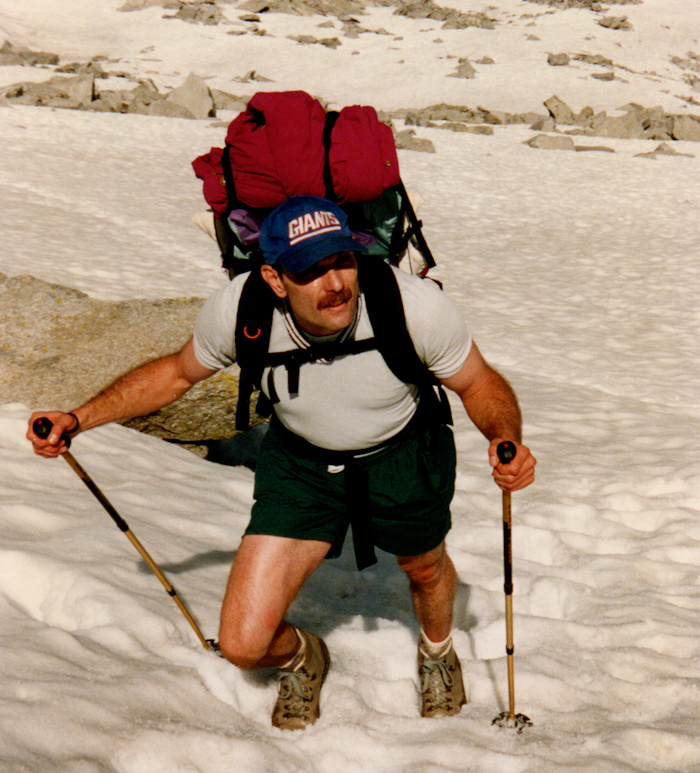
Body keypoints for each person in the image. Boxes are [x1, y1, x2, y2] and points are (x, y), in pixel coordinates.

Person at [28, 195, 536, 731]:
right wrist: (79, 418)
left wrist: (506, 439)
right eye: (310, 271)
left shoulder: (412, 306)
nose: (335, 283)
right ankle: (302, 656)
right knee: (245, 645)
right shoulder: (240, 312)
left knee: (424, 568)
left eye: (342, 261)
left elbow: (479, 382)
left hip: (402, 453)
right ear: (274, 278)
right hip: (301, 465)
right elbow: (177, 374)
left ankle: (437, 652)